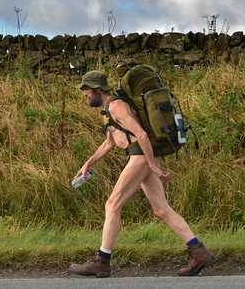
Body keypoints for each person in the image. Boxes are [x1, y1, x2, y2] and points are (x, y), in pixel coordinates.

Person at [68, 70, 215, 278]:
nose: (84, 94)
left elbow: (141, 134)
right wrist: (87, 163)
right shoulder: (108, 110)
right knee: (161, 210)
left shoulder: (116, 106)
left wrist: (153, 166)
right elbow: (110, 142)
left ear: (98, 89)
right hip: (139, 156)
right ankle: (199, 251)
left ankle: (101, 260)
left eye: (86, 90)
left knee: (112, 204)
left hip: (139, 156)